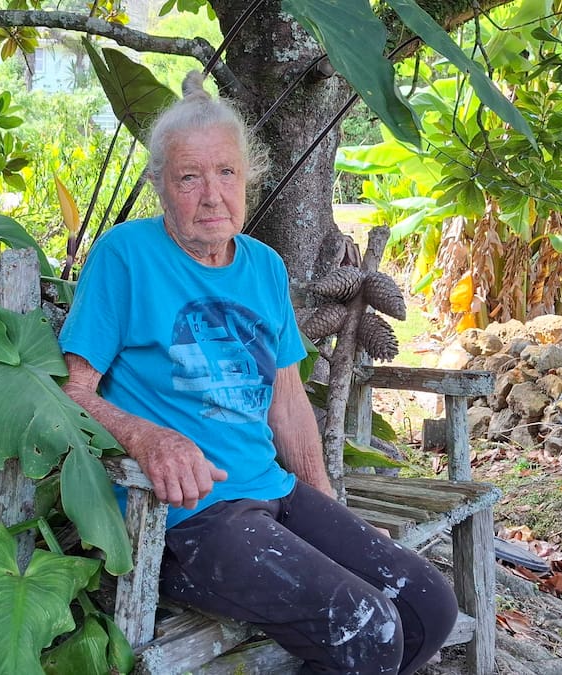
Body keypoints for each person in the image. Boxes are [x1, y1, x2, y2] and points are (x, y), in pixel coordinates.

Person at [59, 70, 458, 674]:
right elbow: (74, 392)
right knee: (366, 628)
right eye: (189, 177)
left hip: (269, 491)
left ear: (248, 179)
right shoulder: (125, 256)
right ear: (161, 187)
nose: (211, 194)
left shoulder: (264, 266)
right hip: (183, 520)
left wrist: (325, 511)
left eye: (226, 173)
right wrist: (147, 436)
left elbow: (289, 401)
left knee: (431, 607)